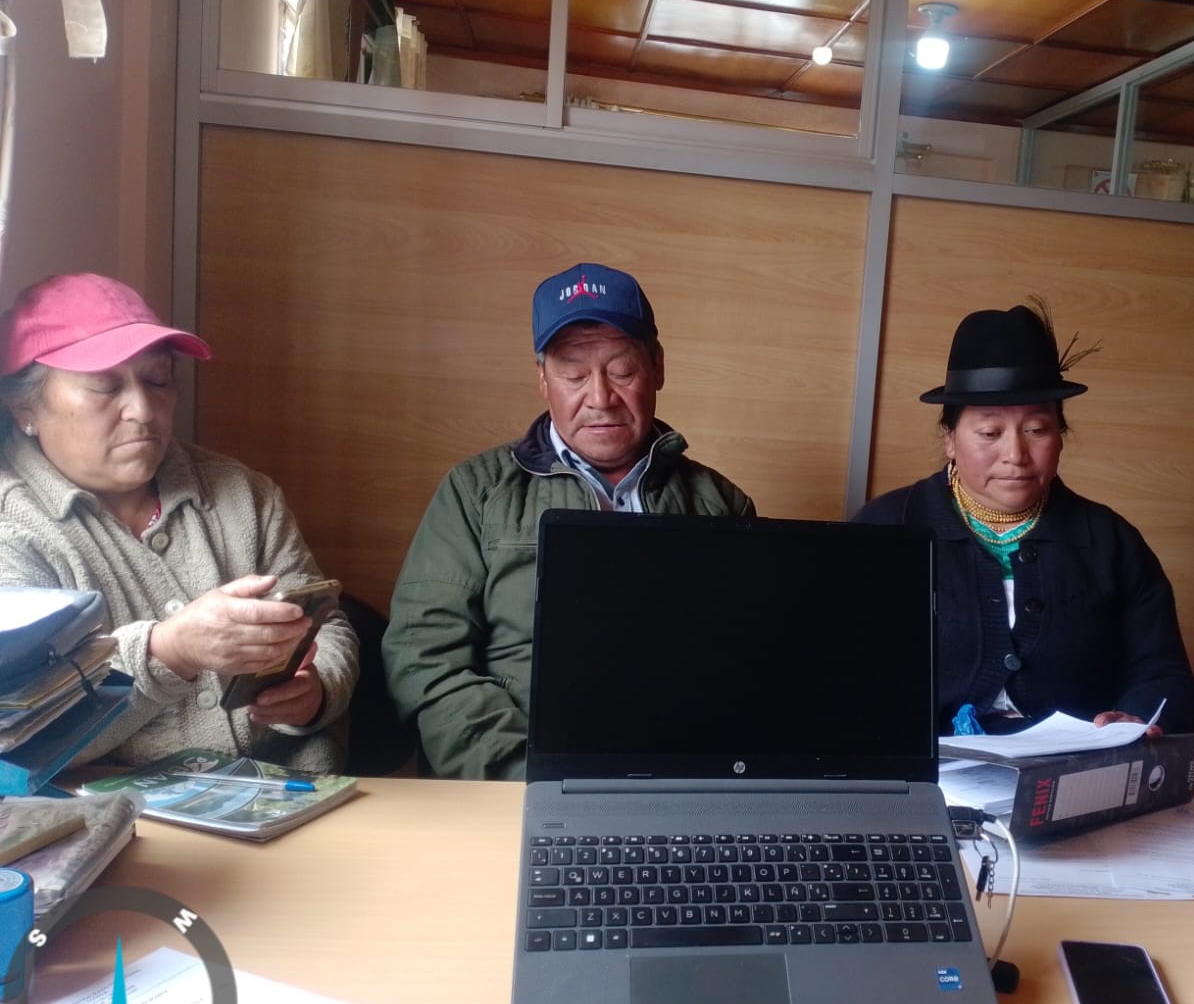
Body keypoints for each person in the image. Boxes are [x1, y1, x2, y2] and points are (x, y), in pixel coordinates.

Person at [384, 262, 755, 779]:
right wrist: (523, 777)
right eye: (574, 375)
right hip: (513, 782)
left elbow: (746, 673)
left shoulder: (722, 505)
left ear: (657, 368)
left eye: (622, 370)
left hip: (675, 783)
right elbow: (424, 658)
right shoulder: (476, 491)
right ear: (543, 379)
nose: (600, 398)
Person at [0, 273, 356, 770]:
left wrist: (316, 691)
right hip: (117, 810)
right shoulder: (12, 529)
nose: (143, 410)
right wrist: (169, 652)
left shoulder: (243, 493)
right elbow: (20, 734)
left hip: (295, 790)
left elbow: (328, 625)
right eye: (105, 385)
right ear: (24, 407)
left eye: (158, 379)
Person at [853, 302, 1194, 736]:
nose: (1015, 454)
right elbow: (833, 663)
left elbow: (1163, 672)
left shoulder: (1111, 542)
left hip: (1074, 768)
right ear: (950, 439)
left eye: (1037, 430)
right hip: (923, 768)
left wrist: (1137, 719)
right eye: (990, 433)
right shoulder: (885, 528)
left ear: (1060, 437)